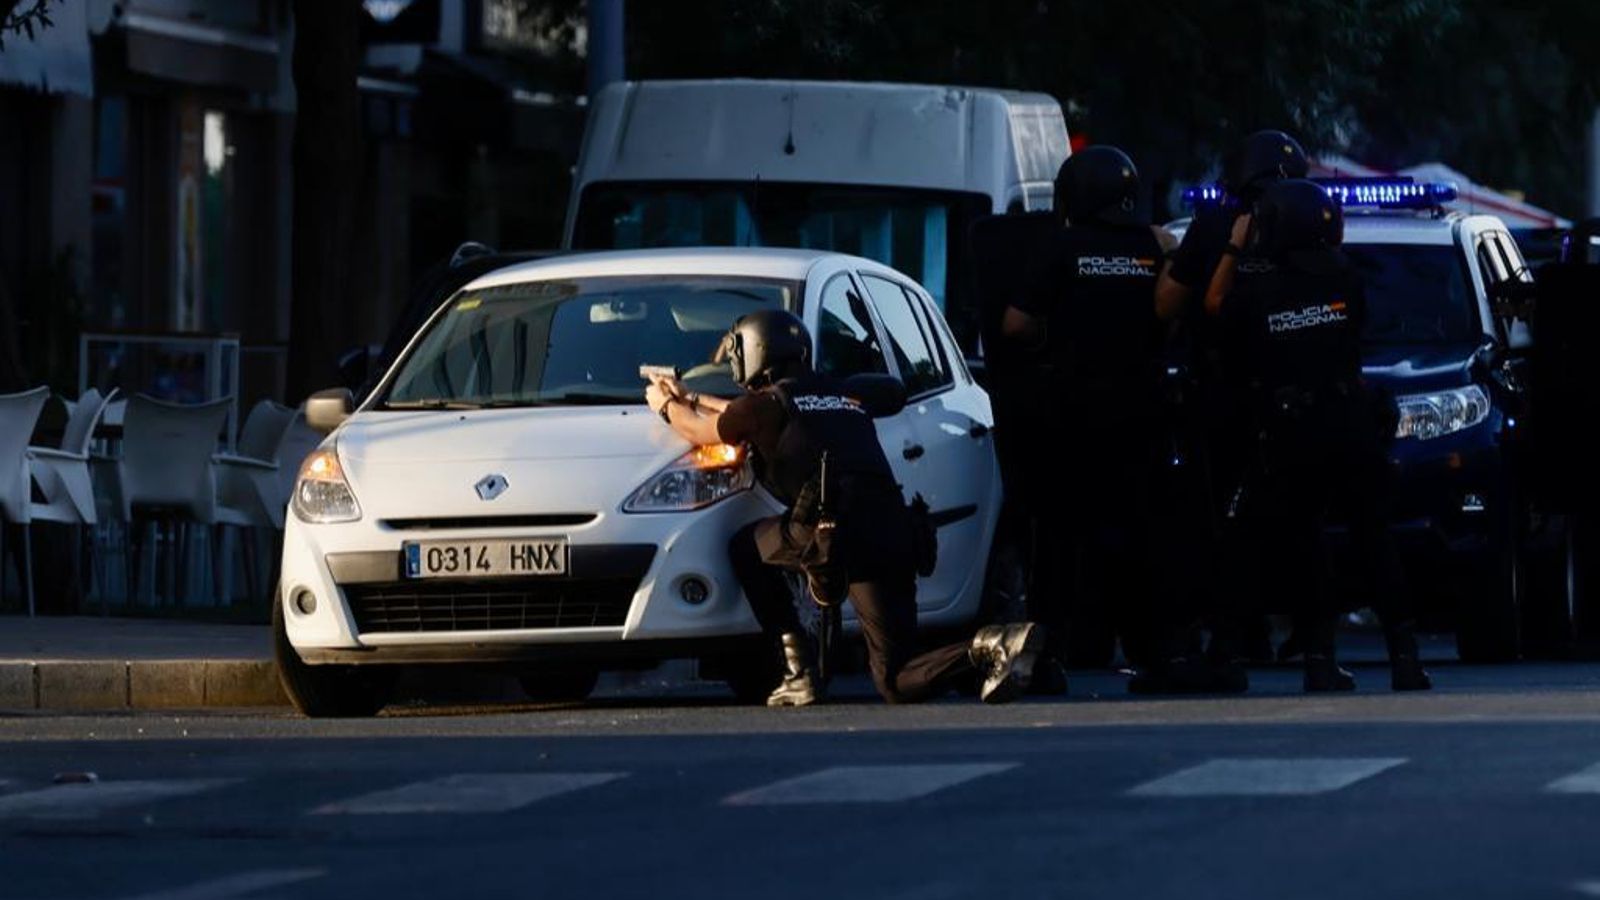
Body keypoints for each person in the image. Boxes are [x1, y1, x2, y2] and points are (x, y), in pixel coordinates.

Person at [644, 309, 1044, 706]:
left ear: (754, 351)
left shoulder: (763, 407)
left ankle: (797, 674)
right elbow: (744, 412)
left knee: (746, 548)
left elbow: (699, 430)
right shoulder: (839, 394)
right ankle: (990, 646)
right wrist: (691, 394)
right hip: (892, 529)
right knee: (895, 677)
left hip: (833, 533)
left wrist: (663, 403)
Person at [1205, 179, 1432, 692]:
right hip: (1349, 424)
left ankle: (1317, 660)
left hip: (1292, 431)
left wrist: (1234, 244)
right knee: (1374, 539)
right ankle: (1406, 657)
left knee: (1299, 545)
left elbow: (1215, 305)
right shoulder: (1346, 279)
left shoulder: (1260, 290)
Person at [1000, 146, 1190, 689]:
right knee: (1142, 537)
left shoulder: (1058, 247)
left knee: (1058, 543)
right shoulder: (1150, 248)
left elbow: (1015, 324)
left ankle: (1047, 659)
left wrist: (1053, 337)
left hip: (1071, 417)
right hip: (1141, 417)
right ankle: (1159, 657)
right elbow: (1169, 317)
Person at [1155, 129, 1311, 673]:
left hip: (1221, 400)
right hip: (1293, 402)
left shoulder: (1218, 226)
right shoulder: (1309, 232)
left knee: (1215, 520)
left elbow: (1166, 304)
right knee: (1291, 521)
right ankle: (1288, 633)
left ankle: (1227, 633)